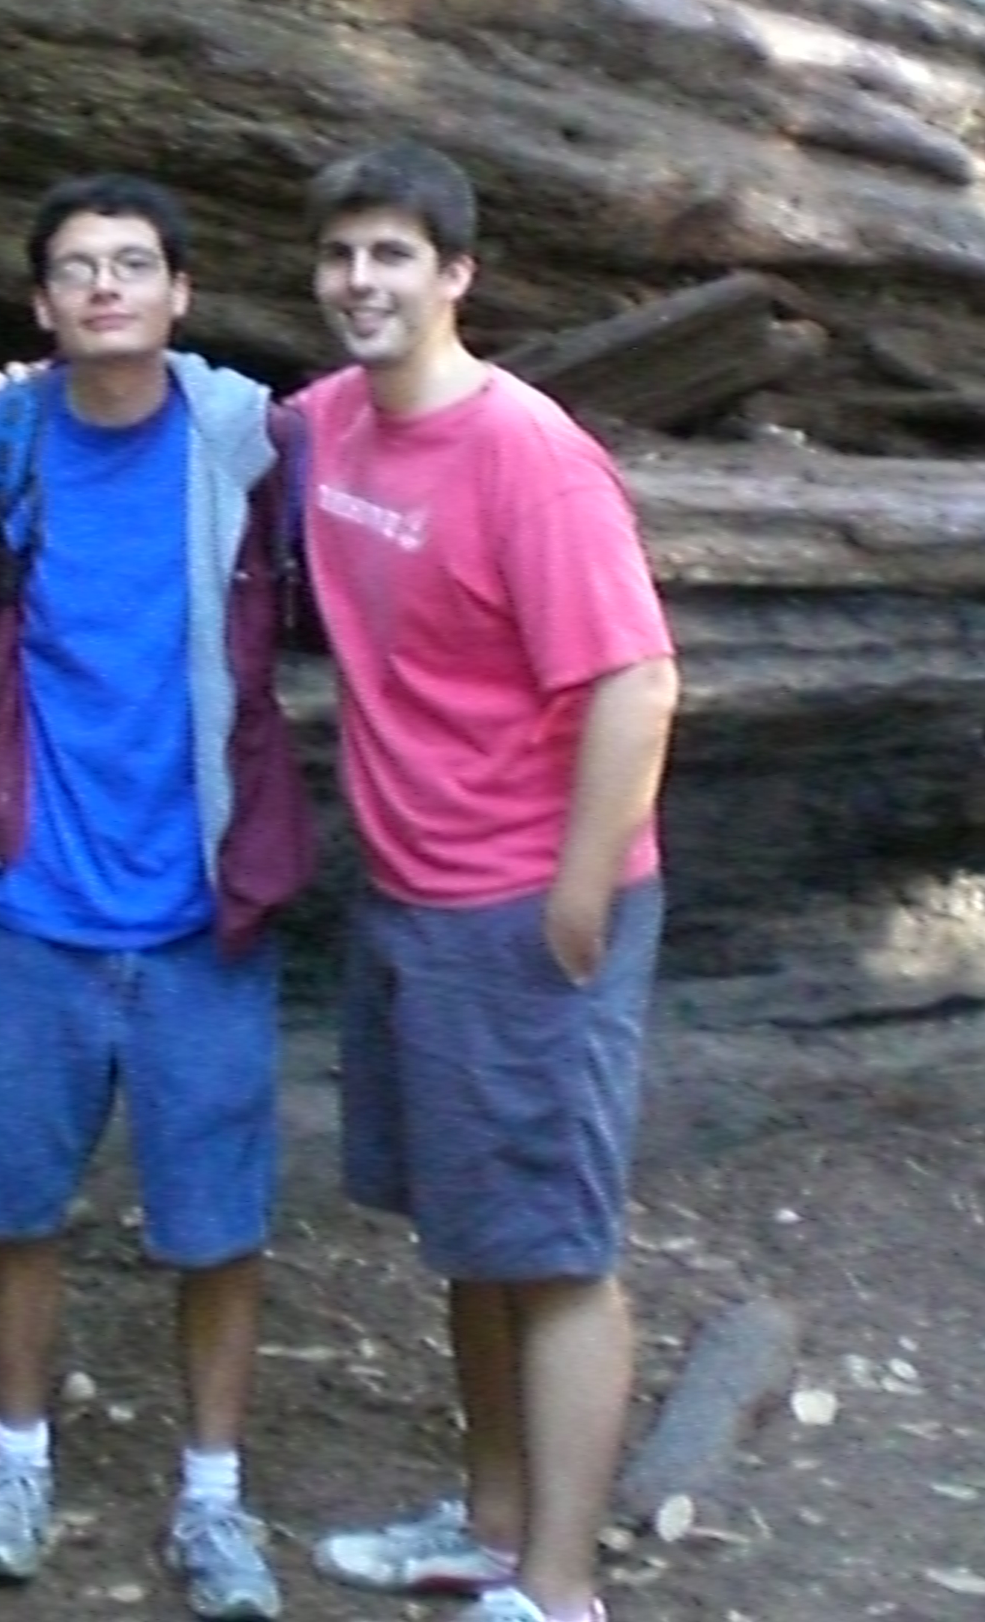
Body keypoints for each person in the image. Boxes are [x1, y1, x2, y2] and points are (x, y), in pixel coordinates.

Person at [0, 174, 316, 1622]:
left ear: (179, 294)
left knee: (217, 1222)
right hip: (31, 903)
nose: (105, 287)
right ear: (41, 303)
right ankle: (16, 1464)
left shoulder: (254, 441)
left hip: (203, 907)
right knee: (16, 1206)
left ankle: (213, 1497)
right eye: (78, 268)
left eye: (133, 264)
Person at [292, 142, 679, 1622]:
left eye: (393, 254)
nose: (361, 281)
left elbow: (637, 682)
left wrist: (575, 903)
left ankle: (559, 1590)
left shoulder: (528, 455)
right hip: (413, 898)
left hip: (527, 908)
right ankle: (493, 1527)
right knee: (475, 1235)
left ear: (454, 275)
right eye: (341, 255)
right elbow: (173, 415)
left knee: (557, 1252)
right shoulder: (329, 424)